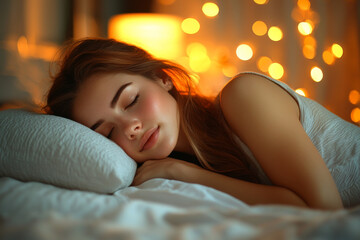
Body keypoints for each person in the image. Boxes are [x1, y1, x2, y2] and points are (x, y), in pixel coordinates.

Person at [45, 38, 360, 210]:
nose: (130, 128)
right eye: (106, 131)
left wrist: (185, 173)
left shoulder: (243, 95)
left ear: (163, 78)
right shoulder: (163, 178)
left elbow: (323, 208)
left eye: (131, 101)